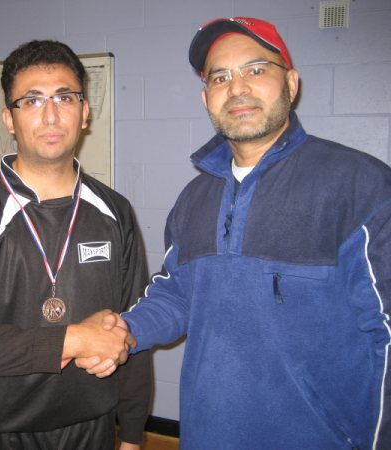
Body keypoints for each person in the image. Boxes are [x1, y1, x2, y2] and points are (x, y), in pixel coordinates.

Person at [82, 16, 391, 450]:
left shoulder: (360, 186)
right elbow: (177, 295)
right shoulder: (194, 198)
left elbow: (387, 333)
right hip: (207, 435)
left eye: (256, 69)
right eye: (220, 76)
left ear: (292, 83)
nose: (237, 87)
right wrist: (123, 332)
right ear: (206, 96)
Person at [0, 39, 151, 450]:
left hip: (91, 428)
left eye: (64, 97)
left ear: (84, 112)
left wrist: (132, 433)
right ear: (9, 119)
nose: (50, 114)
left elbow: (133, 325)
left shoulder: (115, 211)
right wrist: (74, 340)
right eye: (31, 101)